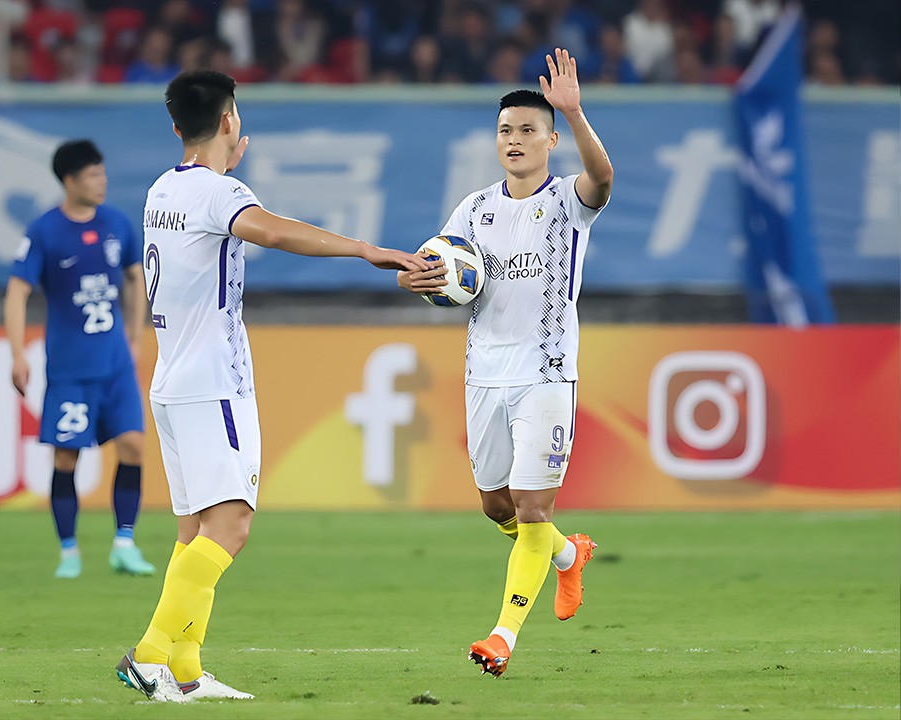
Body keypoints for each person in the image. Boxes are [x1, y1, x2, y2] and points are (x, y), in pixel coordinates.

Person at [114, 70, 430, 703]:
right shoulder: (217, 192)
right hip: (212, 383)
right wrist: (367, 250)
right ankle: (148, 654)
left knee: (194, 531)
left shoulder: (161, 190)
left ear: (178, 127)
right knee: (230, 528)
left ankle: (184, 670)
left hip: (172, 381)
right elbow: (274, 232)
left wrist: (226, 169)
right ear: (229, 121)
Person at [397, 48, 613, 677]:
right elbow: (444, 274)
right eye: (505, 131)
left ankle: (503, 636)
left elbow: (603, 179)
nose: (514, 140)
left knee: (531, 503)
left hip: (546, 372)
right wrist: (423, 281)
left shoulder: (570, 199)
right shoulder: (473, 210)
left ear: (549, 139)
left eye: (527, 130)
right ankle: (567, 558)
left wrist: (575, 112)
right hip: (483, 373)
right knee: (498, 507)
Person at [4, 140, 154, 580]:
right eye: (93, 175)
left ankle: (124, 543)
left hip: (115, 364)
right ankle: (69, 551)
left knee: (133, 445)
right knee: (67, 459)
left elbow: (133, 274)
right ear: (69, 181)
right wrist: (17, 352)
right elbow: (17, 291)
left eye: (103, 173)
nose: (102, 181)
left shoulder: (117, 224)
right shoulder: (44, 232)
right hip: (70, 369)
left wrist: (135, 333)